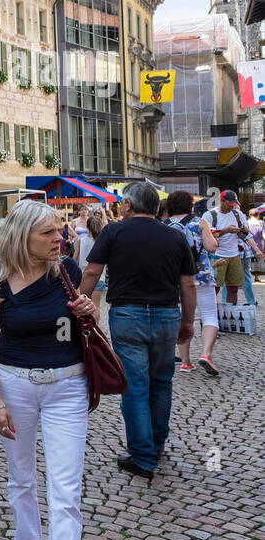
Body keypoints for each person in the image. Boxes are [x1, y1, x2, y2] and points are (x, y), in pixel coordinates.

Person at [0, 198, 97, 540]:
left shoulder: (66, 270)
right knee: (21, 478)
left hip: (68, 386)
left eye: (60, 231)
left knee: (65, 494)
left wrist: (89, 311)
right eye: (49, 233)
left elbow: (87, 321)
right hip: (15, 386)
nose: (59, 238)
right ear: (21, 236)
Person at [79, 181, 195, 480]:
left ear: (128, 205)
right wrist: (187, 322)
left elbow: (92, 271)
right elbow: (188, 284)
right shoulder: (175, 236)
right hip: (167, 314)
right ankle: (155, 446)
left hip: (128, 314)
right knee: (161, 382)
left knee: (134, 385)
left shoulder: (114, 231)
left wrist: (77, 303)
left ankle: (142, 457)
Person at [165, 191, 220, 376]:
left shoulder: (164, 225)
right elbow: (212, 246)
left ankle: (186, 362)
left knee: (182, 318)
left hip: (175, 279)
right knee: (210, 315)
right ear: (190, 205)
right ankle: (205, 354)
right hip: (202, 275)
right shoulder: (199, 222)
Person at [205, 191, 249, 306]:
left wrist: (244, 230)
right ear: (221, 201)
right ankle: (210, 314)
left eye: (233, 204)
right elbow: (208, 238)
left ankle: (231, 314)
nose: (231, 207)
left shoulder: (237, 214)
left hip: (234, 254)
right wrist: (226, 230)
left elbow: (245, 234)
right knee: (215, 288)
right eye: (229, 204)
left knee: (233, 288)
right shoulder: (209, 215)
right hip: (217, 255)